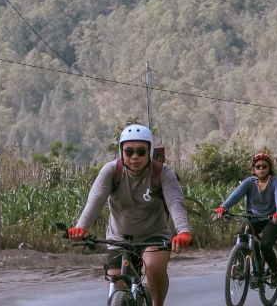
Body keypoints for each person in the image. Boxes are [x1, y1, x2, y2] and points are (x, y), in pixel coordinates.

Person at [68, 124, 192, 306]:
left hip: (154, 237)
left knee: (154, 267)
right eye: (129, 151)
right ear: (121, 152)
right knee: (117, 283)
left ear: (149, 151)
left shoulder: (163, 173)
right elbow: (94, 201)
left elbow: (175, 202)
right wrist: (81, 228)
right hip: (118, 238)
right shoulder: (111, 171)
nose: (135, 157)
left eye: (141, 151)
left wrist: (183, 231)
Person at [213, 152, 277, 288]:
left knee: (265, 246)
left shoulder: (275, 182)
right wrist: (223, 207)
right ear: (254, 169)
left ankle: (275, 273)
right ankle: (241, 265)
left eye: (264, 166)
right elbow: (236, 195)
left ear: (269, 167)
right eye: (258, 166)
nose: (261, 169)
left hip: (273, 219)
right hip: (254, 217)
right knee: (242, 233)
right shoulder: (249, 182)